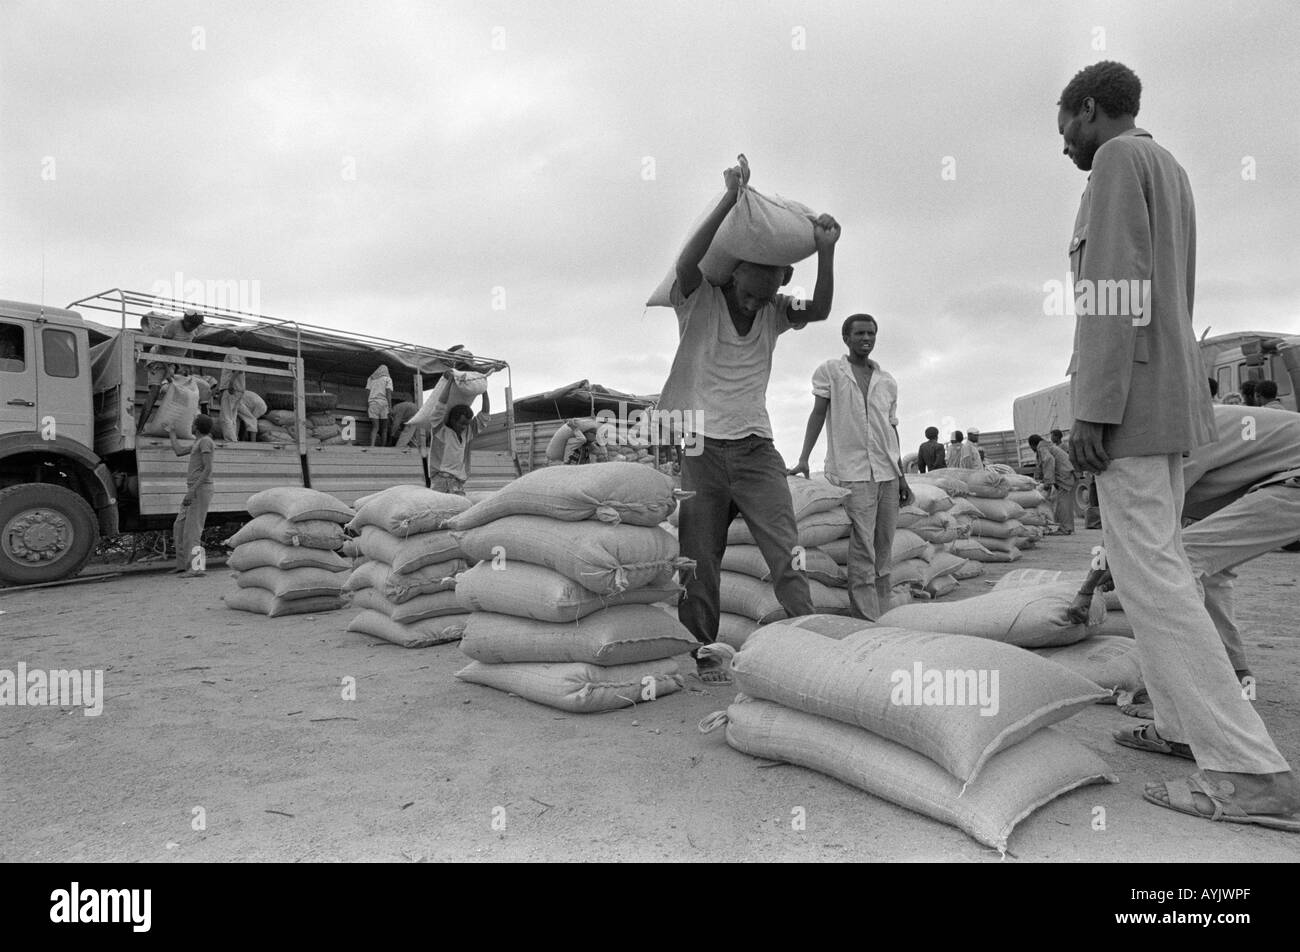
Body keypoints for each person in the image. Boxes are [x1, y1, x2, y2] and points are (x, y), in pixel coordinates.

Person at [1057, 60, 1299, 827]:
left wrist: (1092, 407)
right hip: (1164, 398)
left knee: (1155, 581)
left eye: (1065, 125)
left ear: (1090, 110)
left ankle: (1247, 770)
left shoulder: (1120, 161)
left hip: (1129, 405)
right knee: (1158, 571)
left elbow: (1113, 288)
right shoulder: (1167, 165)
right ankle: (1178, 727)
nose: (1063, 143)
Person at [658, 156, 840, 681]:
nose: (757, 303)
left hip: (757, 449)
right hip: (700, 451)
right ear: (732, 273)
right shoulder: (698, 301)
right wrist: (730, 197)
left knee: (786, 551)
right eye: (749, 293)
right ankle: (702, 651)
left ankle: (808, 639)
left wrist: (826, 253)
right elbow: (686, 262)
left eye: (766, 295)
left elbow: (823, 309)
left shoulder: (775, 312)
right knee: (699, 558)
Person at [791, 314, 912, 620]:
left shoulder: (887, 381)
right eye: (859, 333)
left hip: (887, 472)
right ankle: (866, 616)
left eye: (871, 333)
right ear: (846, 338)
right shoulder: (831, 371)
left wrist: (902, 475)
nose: (866, 338)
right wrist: (804, 457)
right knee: (863, 548)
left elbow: (891, 428)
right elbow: (818, 414)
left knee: (884, 546)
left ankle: (883, 612)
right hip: (854, 473)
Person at [166, 414, 215, 578]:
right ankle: (182, 565)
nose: (191, 426)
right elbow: (179, 451)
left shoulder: (206, 442)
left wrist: (192, 490)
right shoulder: (197, 443)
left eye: (193, 423)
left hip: (199, 490)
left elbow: (207, 469)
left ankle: (197, 568)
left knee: (193, 531)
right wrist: (172, 432)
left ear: (197, 427)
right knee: (179, 526)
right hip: (193, 489)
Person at [138, 310, 204, 431]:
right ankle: (139, 429)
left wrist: (189, 365)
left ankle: (173, 428)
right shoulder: (173, 325)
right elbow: (161, 346)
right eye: (192, 325)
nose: (193, 328)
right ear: (186, 321)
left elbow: (190, 347)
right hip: (158, 359)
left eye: (196, 326)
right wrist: (168, 369)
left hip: (173, 362)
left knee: (181, 392)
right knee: (154, 392)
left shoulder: (195, 329)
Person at [426, 376, 490, 495]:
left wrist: (484, 390)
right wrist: (450, 381)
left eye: (467, 424)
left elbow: (484, 414)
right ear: (453, 420)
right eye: (462, 423)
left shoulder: (467, 433)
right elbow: (440, 405)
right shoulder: (441, 431)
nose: (464, 427)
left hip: (458, 483)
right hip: (441, 481)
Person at [1028, 433, 1076, 534]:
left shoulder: (1042, 448)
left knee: (1063, 503)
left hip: (1064, 475)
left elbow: (1049, 460)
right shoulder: (1046, 446)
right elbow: (1044, 465)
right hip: (1066, 474)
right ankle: (1066, 528)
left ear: (1032, 445)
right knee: (1062, 502)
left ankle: (1066, 529)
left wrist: (1048, 482)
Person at [217, 352, 247, 442]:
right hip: (239, 389)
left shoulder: (231, 351)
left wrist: (230, 383)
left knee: (225, 417)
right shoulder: (241, 354)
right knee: (232, 417)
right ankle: (234, 439)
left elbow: (237, 368)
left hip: (232, 389)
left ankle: (231, 441)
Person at [366, 364, 394, 446]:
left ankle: (372, 445)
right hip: (383, 404)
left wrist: (368, 405)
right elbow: (388, 393)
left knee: (375, 427)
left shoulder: (371, 379)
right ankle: (383, 447)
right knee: (384, 428)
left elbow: (367, 393)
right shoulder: (388, 379)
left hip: (373, 404)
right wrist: (390, 407)